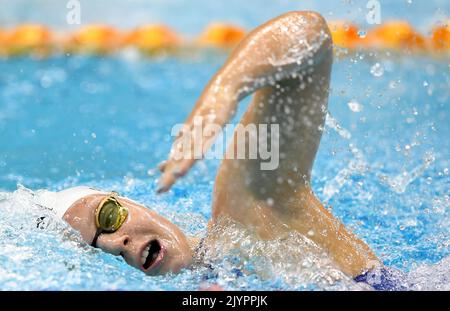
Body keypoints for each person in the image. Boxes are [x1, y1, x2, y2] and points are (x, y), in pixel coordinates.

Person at [48, 11, 402, 289]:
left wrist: (224, 92)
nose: (115, 244)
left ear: (134, 203)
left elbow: (309, 35)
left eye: (107, 218)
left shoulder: (245, 216)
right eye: (97, 250)